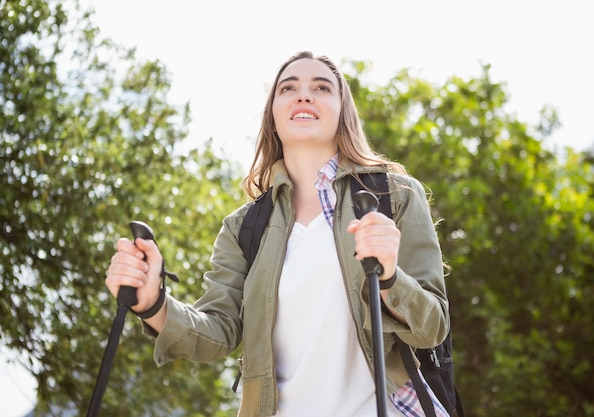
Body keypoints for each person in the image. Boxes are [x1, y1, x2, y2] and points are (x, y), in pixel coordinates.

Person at [105, 51, 450, 417]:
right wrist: (152, 304)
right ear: (273, 115)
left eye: (322, 87)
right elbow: (217, 332)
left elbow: (432, 330)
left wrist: (390, 278)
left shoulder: (393, 197)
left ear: (342, 113)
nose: (304, 95)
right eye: (288, 88)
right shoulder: (243, 228)